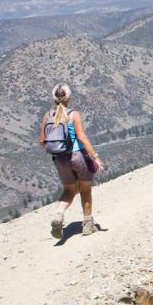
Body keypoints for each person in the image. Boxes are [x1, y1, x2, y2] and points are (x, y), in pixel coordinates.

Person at [39, 84, 104, 239]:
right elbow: (81, 137)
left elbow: (42, 141)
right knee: (85, 189)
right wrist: (95, 157)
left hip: (60, 159)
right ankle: (88, 225)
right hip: (77, 156)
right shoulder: (73, 115)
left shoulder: (47, 115)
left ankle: (59, 214)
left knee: (69, 191)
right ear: (68, 98)